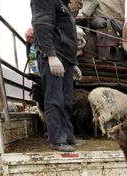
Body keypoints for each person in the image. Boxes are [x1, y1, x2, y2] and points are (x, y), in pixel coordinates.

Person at [31, 0, 84, 152]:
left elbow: (68, 34)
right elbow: (41, 25)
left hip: (66, 57)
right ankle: (57, 140)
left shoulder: (64, 4)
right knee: (54, 98)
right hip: (54, 55)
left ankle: (68, 136)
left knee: (66, 100)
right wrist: (50, 55)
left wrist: (73, 63)